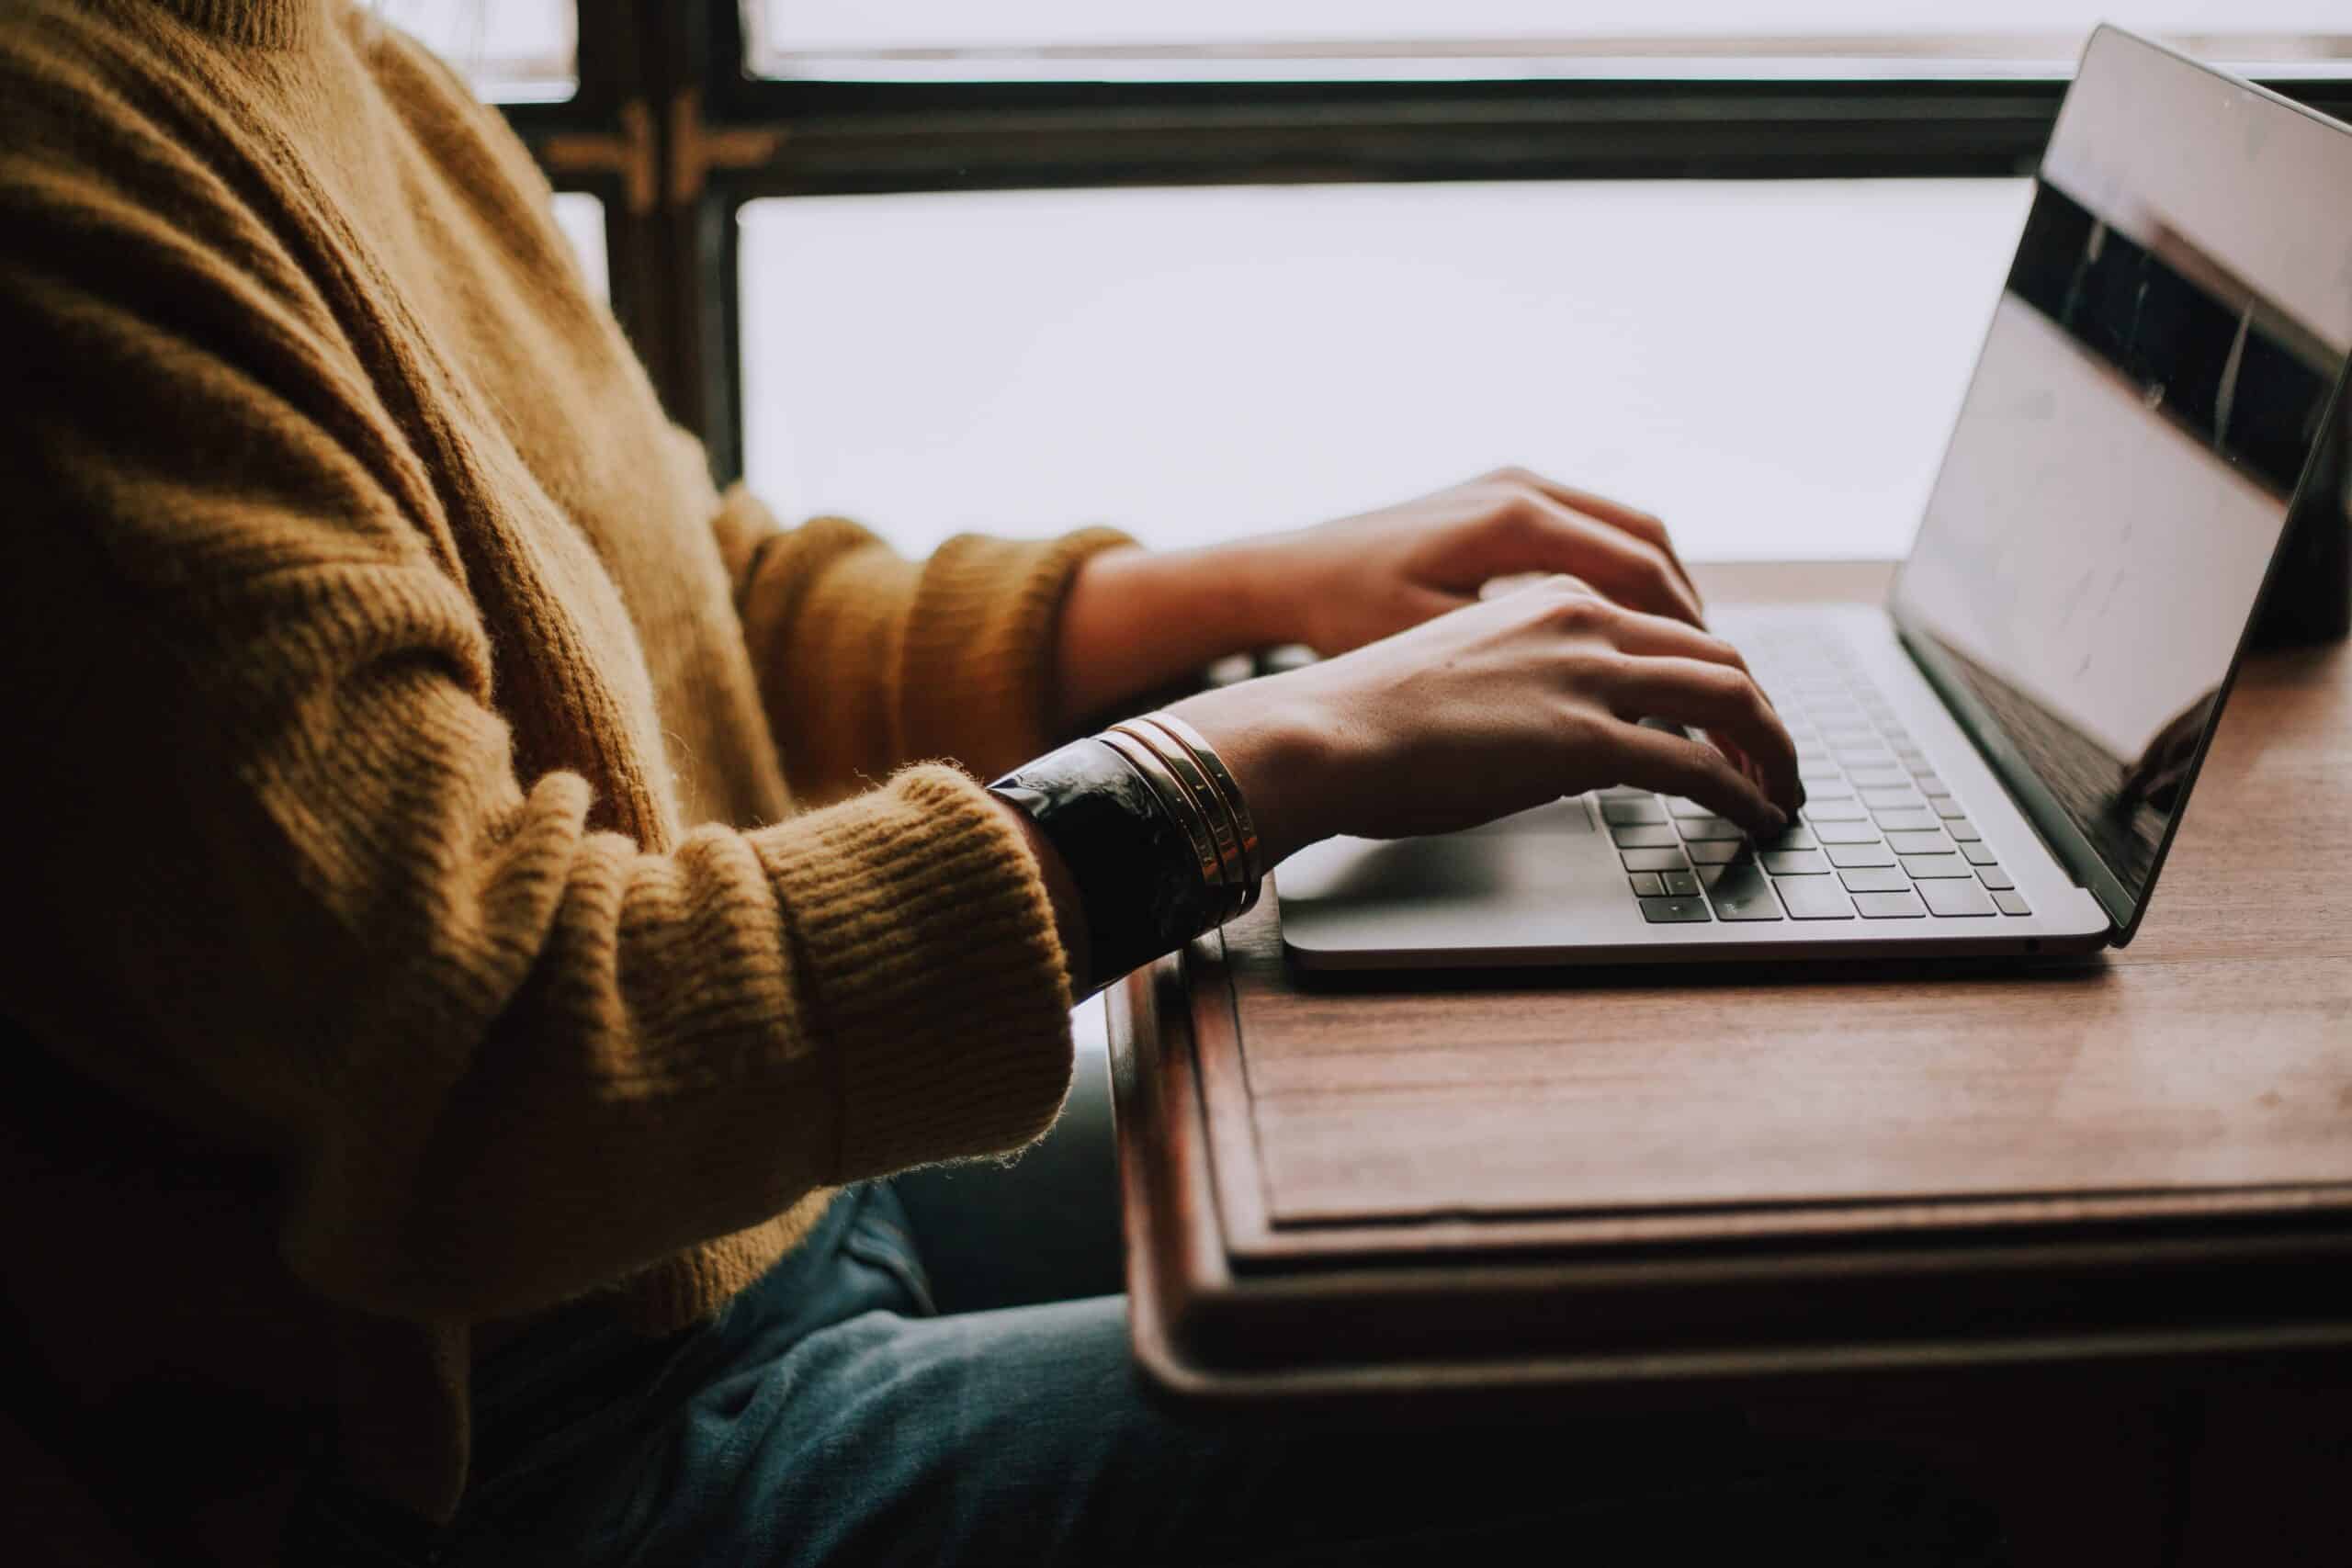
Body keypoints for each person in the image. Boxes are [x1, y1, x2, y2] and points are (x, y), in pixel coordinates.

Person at [0, 4, 1999, 1564]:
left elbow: (695, 602)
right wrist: (1257, 757)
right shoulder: (60, 185)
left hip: (741, 1209)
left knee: (1651, 1196)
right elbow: (509, 1055)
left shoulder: (327, 58)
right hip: (519, 1462)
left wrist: (1250, 589)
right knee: (1798, 1411)